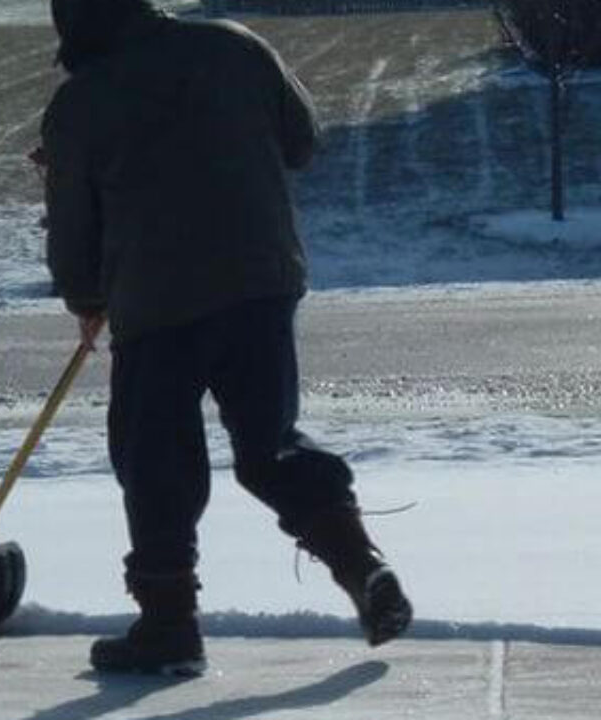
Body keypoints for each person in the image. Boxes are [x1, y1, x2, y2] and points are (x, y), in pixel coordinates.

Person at [39, 0, 412, 675]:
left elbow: (71, 227)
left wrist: (85, 295)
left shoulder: (79, 103)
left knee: (155, 463)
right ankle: (363, 567)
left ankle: (169, 626)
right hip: (260, 281)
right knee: (270, 444)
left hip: (156, 305)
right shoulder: (234, 46)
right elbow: (302, 141)